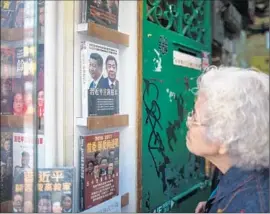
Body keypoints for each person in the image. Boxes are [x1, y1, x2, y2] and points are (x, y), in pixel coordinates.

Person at [186, 66, 269, 213]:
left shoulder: (249, 206)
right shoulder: (242, 170)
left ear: (224, 138)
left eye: (195, 118)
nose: (188, 122)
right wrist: (214, 205)